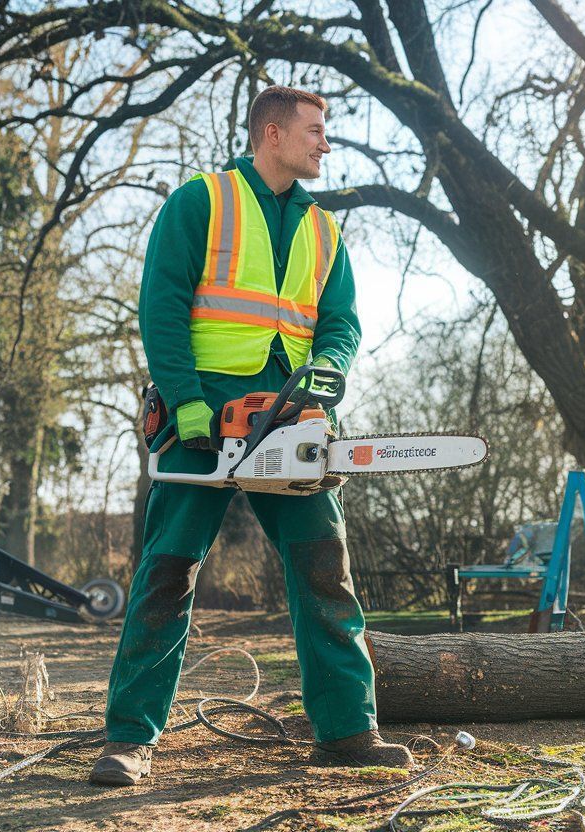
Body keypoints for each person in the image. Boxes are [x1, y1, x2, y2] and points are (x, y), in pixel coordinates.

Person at [90, 86, 412, 786]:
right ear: (273, 133)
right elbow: (162, 306)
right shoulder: (200, 202)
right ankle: (128, 739)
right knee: (168, 570)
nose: (325, 143)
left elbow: (342, 321)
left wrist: (328, 368)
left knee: (325, 566)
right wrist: (188, 404)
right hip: (201, 411)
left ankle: (348, 728)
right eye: (315, 131)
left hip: (292, 413)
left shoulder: (324, 229)